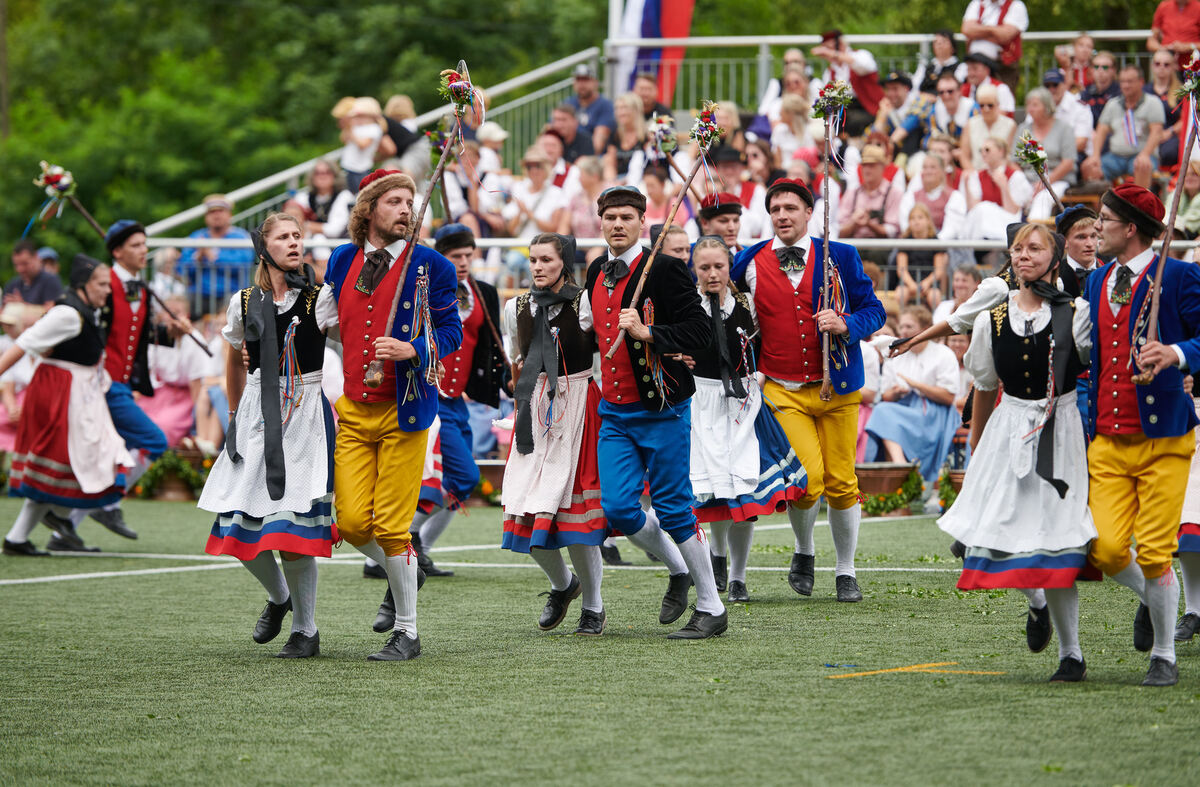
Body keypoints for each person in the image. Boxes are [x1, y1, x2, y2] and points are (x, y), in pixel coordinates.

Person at [939, 222, 1094, 683]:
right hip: (1008, 430)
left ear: (1055, 255)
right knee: (1001, 532)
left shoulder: (1077, 311)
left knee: (1057, 539)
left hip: (1061, 430)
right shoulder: (993, 317)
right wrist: (977, 450)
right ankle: (1036, 603)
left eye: (1034, 248)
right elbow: (985, 386)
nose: (1022, 255)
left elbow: (1101, 367)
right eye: (1017, 249)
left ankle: (1072, 655)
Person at [323, 168, 463, 661]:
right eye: (394, 202)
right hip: (354, 410)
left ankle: (407, 630)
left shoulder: (432, 265)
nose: (406, 209)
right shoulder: (341, 260)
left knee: (390, 527)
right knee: (354, 524)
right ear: (368, 211)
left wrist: (413, 348)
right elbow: (322, 320)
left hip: (406, 409)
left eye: (410, 201)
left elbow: (452, 332)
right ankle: (408, 567)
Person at [731, 179, 887, 603]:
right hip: (782, 389)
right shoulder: (747, 262)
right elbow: (727, 311)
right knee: (807, 480)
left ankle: (846, 571)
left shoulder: (841, 255)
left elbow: (876, 312)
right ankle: (804, 551)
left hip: (837, 387)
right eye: (775, 208)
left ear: (808, 213)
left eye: (790, 208)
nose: (782, 215)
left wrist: (847, 324)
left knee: (842, 481)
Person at [586, 185, 727, 638]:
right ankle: (678, 570)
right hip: (614, 411)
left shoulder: (665, 269)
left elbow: (700, 331)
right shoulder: (594, 270)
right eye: (610, 217)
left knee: (672, 508)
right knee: (621, 510)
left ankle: (712, 606)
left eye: (627, 217)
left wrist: (650, 334)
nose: (618, 225)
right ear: (601, 222)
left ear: (643, 222)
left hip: (663, 407)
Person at [197, 213, 338, 659]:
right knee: (235, 524)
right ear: (265, 248)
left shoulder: (322, 297)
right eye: (284, 237)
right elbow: (235, 363)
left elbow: (351, 344)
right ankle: (280, 599)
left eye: (298, 236)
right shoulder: (243, 301)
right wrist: (235, 414)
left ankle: (306, 629)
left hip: (304, 411)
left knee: (292, 526)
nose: (294, 243)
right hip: (257, 412)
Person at [1084, 184, 1200, 686]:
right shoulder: (1097, 280)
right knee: (1106, 550)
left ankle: (1163, 653)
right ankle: (1160, 601)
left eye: (1104, 219)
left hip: (1165, 439)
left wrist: (1175, 354)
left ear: (1130, 228)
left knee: (1154, 549)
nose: (1096, 228)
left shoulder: (1178, 276)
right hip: (1107, 438)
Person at [682, 237, 808, 603]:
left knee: (743, 492)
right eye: (704, 267)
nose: (712, 274)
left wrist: (762, 373)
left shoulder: (746, 304)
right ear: (695, 270)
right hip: (700, 402)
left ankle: (737, 576)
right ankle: (717, 558)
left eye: (719, 266)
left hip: (743, 404)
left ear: (729, 266)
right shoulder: (687, 307)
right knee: (715, 493)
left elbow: (767, 340)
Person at [500, 232, 607, 634]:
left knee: (575, 513)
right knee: (523, 505)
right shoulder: (517, 306)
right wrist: (522, 403)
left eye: (546, 259)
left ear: (565, 262)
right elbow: (517, 358)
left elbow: (603, 356)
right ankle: (563, 585)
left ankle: (593, 606)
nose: (538, 267)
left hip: (578, 403)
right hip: (534, 408)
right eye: (533, 260)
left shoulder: (584, 303)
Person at [0, 255, 132, 557]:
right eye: (101, 284)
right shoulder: (68, 313)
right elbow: (23, 345)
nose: (107, 291)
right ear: (83, 285)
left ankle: (35, 528)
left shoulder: (88, 310)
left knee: (78, 463)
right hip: (59, 394)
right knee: (64, 464)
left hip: (77, 392)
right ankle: (34, 528)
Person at [78, 220, 191, 544]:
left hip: (123, 385)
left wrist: (169, 332)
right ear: (117, 251)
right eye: (137, 245)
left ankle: (67, 526)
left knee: (98, 458)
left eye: (145, 244)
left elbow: (138, 337)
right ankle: (109, 503)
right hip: (101, 384)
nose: (144, 251)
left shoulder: (140, 289)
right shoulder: (101, 284)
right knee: (153, 440)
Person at [408, 224, 506, 578]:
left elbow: (489, 346)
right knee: (463, 477)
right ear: (441, 257)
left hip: (458, 398)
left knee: (458, 481)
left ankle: (417, 548)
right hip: (429, 394)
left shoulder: (483, 292)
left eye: (468, 255)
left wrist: (504, 379)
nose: (464, 262)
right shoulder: (424, 290)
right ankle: (409, 539)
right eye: (455, 256)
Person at [865, 305, 960, 485]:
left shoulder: (943, 353)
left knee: (884, 415)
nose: (903, 331)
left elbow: (948, 397)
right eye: (901, 327)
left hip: (935, 412)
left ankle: (901, 470)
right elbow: (886, 396)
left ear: (924, 329)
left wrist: (915, 385)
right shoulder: (897, 353)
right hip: (903, 407)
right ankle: (900, 466)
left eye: (909, 327)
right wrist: (896, 392)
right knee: (883, 411)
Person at [1083, 65, 1165, 189]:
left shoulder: (1152, 103)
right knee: (1089, 166)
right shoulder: (1113, 104)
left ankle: (1140, 206)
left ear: (1141, 82)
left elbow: (1157, 132)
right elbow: (1101, 130)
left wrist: (1145, 154)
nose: (1126, 85)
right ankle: (1102, 207)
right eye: (1122, 82)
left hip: (1142, 154)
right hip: (1115, 156)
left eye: (1130, 82)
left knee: (1142, 165)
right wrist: (1095, 155)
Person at [177, 194, 256, 316]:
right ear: (206, 217)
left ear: (230, 214)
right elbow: (182, 269)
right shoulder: (197, 236)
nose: (216, 215)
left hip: (231, 293)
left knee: (237, 305)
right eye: (212, 212)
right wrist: (198, 258)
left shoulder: (241, 237)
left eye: (221, 211)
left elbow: (243, 262)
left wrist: (212, 255)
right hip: (199, 295)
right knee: (178, 306)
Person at [1015, 87, 1077, 220]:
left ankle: (1036, 232)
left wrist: (1044, 182)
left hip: (1057, 179)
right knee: (1016, 193)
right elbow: (1013, 161)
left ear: (1047, 106)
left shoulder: (1064, 128)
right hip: (1028, 178)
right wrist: (1021, 179)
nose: (1030, 109)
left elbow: (1068, 162)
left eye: (1035, 105)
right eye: (1028, 105)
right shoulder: (1023, 129)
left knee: (1043, 198)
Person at [811, 29, 883, 135]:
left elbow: (863, 67)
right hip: (845, 110)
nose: (828, 55)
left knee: (851, 121)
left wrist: (835, 54)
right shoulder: (829, 72)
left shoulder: (861, 55)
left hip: (868, 107)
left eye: (830, 49)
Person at [840, 144, 901, 266]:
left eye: (872, 166)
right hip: (855, 245)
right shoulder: (852, 193)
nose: (867, 170)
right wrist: (854, 223)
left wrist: (869, 224)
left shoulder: (894, 193)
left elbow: (891, 231)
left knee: (876, 254)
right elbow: (840, 231)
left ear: (883, 167)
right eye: (864, 165)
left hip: (881, 248)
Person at [963, 136, 1032, 241]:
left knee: (984, 208)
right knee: (982, 208)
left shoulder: (1015, 176)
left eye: (987, 150)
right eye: (980, 150)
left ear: (1001, 151)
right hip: (982, 225)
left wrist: (1004, 187)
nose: (983, 153)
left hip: (1006, 222)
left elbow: (1013, 212)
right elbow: (974, 209)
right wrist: (966, 185)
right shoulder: (977, 176)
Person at [898, 152, 968, 241]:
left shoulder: (955, 197)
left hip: (944, 244)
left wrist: (933, 245)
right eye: (925, 167)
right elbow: (905, 224)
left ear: (942, 171)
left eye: (933, 167)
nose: (928, 171)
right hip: (915, 241)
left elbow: (952, 229)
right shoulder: (911, 196)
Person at [961, 0, 1027, 92]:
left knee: (1000, 97)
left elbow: (1005, 35)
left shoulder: (1016, 5)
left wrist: (977, 33)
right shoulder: (976, 3)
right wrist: (994, 31)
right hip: (975, 62)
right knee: (971, 95)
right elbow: (966, 29)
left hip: (1002, 65)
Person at [895, 204, 950, 311]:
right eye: (912, 218)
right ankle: (899, 323)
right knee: (900, 294)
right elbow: (901, 270)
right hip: (908, 283)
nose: (916, 221)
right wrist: (911, 284)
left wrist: (927, 283)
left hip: (930, 284)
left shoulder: (936, 242)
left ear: (928, 220)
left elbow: (938, 270)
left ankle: (935, 323)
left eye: (920, 217)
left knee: (934, 296)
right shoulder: (905, 242)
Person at [292, 160, 354, 240]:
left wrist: (306, 225)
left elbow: (334, 230)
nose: (322, 176)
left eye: (327, 172)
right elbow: (294, 225)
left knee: (319, 238)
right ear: (312, 177)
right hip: (308, 244)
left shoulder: (344, 196)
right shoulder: (303, 197)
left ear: (334, 176)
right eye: (317, 173)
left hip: (337, 245)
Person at [960, 84, 1016, 171]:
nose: (986, 109)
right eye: (982, 105)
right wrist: (976, 177)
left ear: (998, 104)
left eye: (990, 105)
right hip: (976, 174)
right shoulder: (970, 124)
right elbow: (964, 157)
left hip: (1001, 174)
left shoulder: (1010, 125)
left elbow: (1009, 157)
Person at [565, 63, 617, 155]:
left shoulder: (605, 106)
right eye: (578, 80)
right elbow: (550, 130)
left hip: (592, 158)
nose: (581, 84)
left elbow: (597, 146)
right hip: (567, 153)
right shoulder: (568, 103)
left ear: (595, 82)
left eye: (586, 80)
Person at [338, 97, 386, 193]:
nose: (358, 119)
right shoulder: (357, 128)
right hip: (350, 167)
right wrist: (347, 126)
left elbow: (363, 145)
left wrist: (351, 130)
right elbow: (343, 139)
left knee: (360, 194)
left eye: (361, 116)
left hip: (361, 169)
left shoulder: (374, 129)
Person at [1042, 70, 1094, 159]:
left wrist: (1053, 153)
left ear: (1064, 85)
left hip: (1074, 154)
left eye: (1055, 85)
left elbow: (1081, 143)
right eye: (1047, 86)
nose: (1051, 89)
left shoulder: (1080, 107)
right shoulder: (1039, 105)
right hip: (1045, 155)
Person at [1147, 50, 1185, 170]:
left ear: (1174, 66)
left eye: (1166, 64)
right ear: (1152, 66)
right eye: (1157, 64)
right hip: (1147, 135)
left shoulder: (1182, 91)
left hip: (1171, 135)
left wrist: (1170, 132)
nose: (1161, 67)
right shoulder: (1144, 90)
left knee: (1169, 152)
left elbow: (1186, 119)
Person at [603, 93, 649, 185]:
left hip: (641, 181)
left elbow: (649, 164)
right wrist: (612, 182)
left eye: (624, 108)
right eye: (617, 108)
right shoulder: (615, 135)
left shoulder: (647, 135)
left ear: (636, 110)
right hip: (618, 180)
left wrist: (626, 182)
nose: (620, 112)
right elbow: (610, 163)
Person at [1056, 205, 1099, 297]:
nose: (1089, 244)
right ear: (1064, 242)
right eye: (1081, 237)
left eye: (1093, 236)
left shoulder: (1111, 272)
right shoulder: (1055, 276)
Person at [4, 240, 63, 308]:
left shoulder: (50, 281)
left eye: (25, 263)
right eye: (16, 265)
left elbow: (53, 312)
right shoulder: (12, 285)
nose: (20, 269)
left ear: (36, 257)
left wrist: (22, 306)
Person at [913, 28, 969, 94]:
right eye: (936, 42)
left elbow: (954, 90)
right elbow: (914, 87)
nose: (939, 44)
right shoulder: (924, 68)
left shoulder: (961, 67)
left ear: (953, 48)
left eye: (944, 41)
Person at [1149, 0, 1200, 68]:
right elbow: (1151, 42)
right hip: (1167, 66)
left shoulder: (1198, 7)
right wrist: (1164, 49)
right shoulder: (1163, 6)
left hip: (1193, 67)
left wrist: (1189, 47)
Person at [1081, 51, 1120, 128]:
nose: (1100, 70)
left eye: (1105, 67)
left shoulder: (1120, 92)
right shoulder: (1086, 93)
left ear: (1114, 70)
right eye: (1096, 67)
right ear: (1091, 69)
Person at [930, 75, 973, 144]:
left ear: (960, 91)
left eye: (950, 91)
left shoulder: (973, 109)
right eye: (941, 92)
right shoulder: (935, 111)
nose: (946, 96)